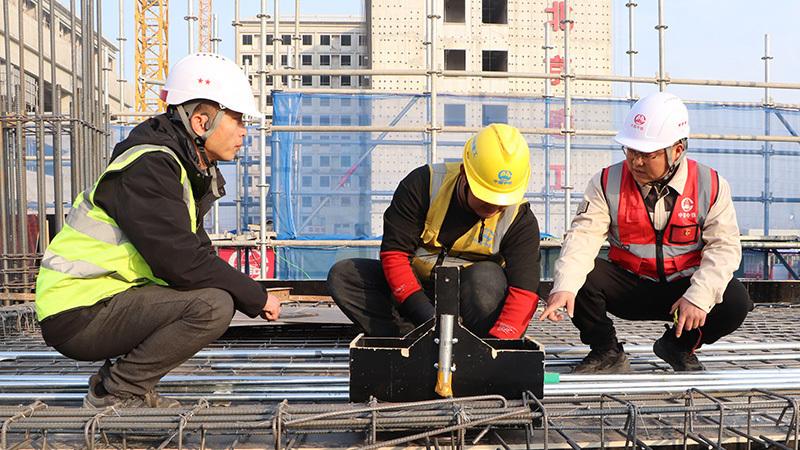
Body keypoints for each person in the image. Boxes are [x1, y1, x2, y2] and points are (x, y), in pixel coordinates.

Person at [35, 53, 282, 408]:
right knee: (212, 306)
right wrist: (256, 297)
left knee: (213, 294)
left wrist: (247, 292)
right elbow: (181, 262)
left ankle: (122, 382)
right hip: (79, 311)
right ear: (201, 122)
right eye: (238, 119)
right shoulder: (149, 168)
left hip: (102, 300)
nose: (244, 131)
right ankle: (117, 390)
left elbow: (194, 254)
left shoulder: (176, 166)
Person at [540, 92, 752, 373]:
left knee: (734, 300)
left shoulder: (710, 185)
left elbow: (724, 249)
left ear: (677, 150)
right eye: (630, 151)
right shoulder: (606, 182)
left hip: (683, 290)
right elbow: (583, 237)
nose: (636, 162)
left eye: (646, 154)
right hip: (631, 288)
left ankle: (678, 346)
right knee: (579, 275)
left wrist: (698, 297)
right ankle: (606, 350)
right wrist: (564, 287)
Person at [328, 123, 541, 339]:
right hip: (414, 292)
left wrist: (498, 345)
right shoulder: (424, 185)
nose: (495, 207)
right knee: (345, 275)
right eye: (486, 197)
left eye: (503, 200)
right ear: (464, 174)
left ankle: (475, 342)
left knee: (486, 277)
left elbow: (524, 291)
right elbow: (395, 255)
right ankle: (410, 338)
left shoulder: (520, 219)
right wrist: (427, 318)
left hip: (472, 300)